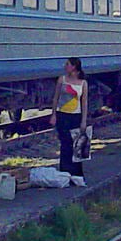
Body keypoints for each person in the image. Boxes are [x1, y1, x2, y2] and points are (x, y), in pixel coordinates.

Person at [49, 57, 89, 187]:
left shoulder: (83, 83)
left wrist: (83, 120)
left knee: (77, 146)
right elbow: (56, 98)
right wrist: (53, 114)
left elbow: (84, 103)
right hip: (62, 116)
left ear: (74, 67)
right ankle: (65, 173)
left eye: (67, 64)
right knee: (65, 144)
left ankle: (76, 174)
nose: (65, 66)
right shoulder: (62, 80)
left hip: (76, 117)